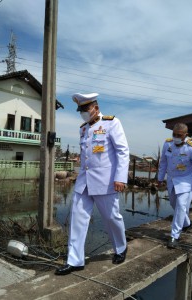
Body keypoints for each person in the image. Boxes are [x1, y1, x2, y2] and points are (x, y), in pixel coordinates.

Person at [55, 92, 129, 275]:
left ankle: (120, 247)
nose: (83, 113)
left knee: (112, 217)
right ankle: (75, 260)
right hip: (84, 182)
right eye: (80, 110)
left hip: (105, 182)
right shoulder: (83, 128)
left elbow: (122, 151)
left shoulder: (112, 123)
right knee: (77, 219)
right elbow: (86, 157)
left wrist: (120, 178)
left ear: (95, 108)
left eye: (85, 109)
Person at [157, 123, 192, 249]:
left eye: (179, 135)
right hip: (172, 180)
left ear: (186, 135)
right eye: (174, 134)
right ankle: (187, 224)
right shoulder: (167, 144)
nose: (176, 137)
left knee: (180, 205)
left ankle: (174, 236)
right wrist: (160, 178)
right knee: (174, 204)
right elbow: (163, 162)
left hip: (185, 181)